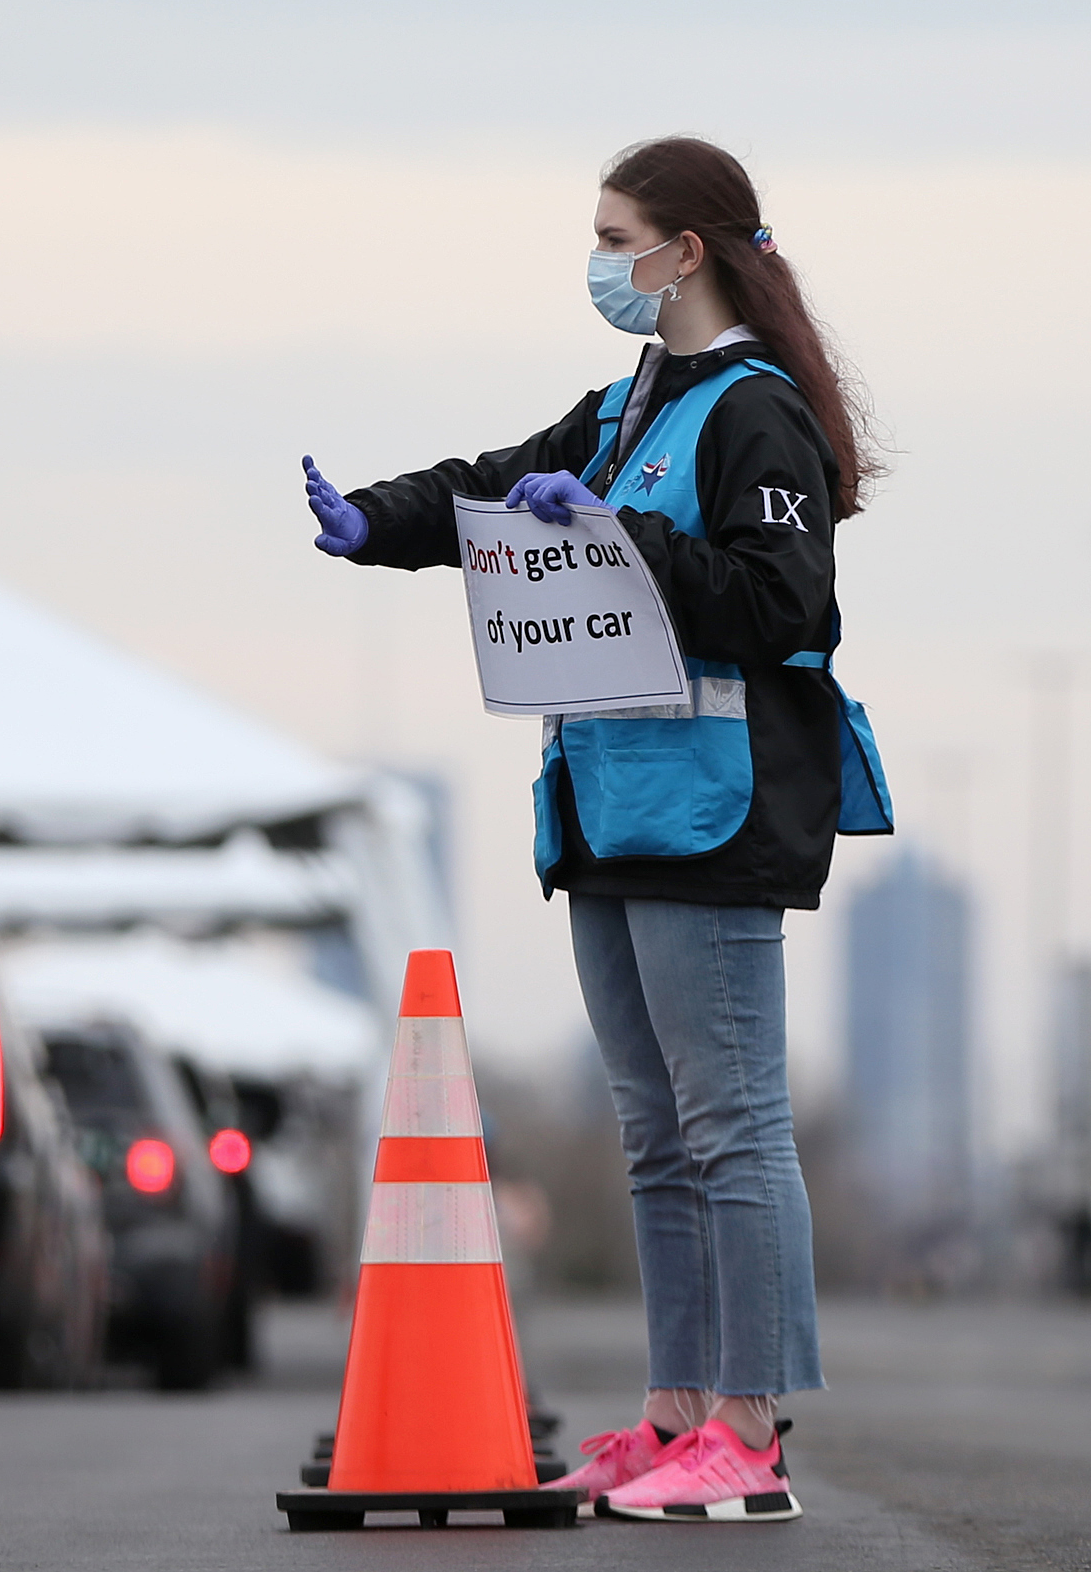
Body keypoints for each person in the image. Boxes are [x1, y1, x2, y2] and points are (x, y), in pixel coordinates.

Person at [303, 136, 890, 1524]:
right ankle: (677, 1414)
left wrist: (627, 544)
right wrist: (374, 520)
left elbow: (784, 607)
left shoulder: (756, 414)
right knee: (655, 1136)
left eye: (616, 235)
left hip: (713, 810)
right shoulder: (635, 401)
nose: (601, 260)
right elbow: (501, 481)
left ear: (684, 252)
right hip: (615, 804)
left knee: (732, 1127)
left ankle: (751, 1431)